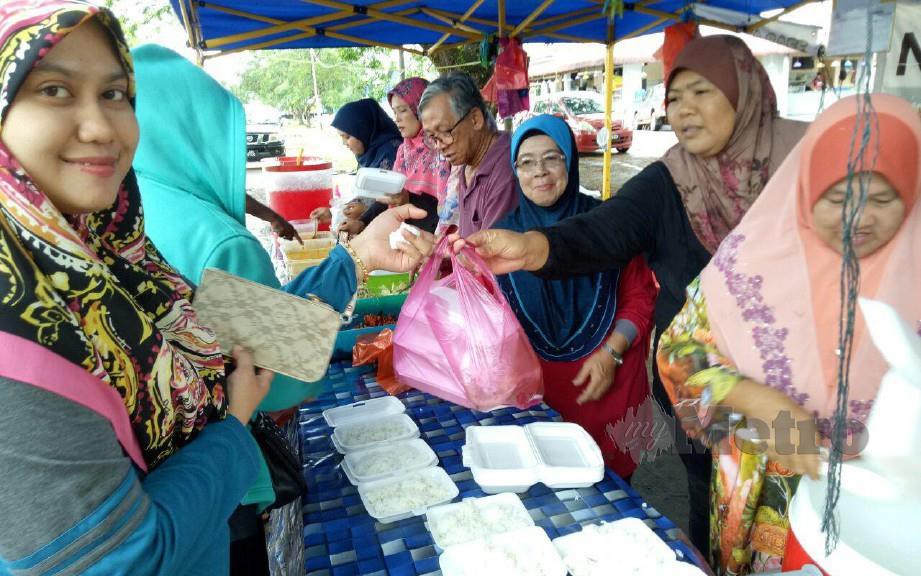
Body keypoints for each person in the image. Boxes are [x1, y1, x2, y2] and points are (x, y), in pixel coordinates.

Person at [0, 4, 432, 573]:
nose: (101, 126)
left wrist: (354, 257)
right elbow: (275, 364)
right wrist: (232, 430)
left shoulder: (117, 244)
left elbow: (245, 334)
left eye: (116, 95)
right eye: (54, 90)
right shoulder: (25, 327)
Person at [452, 36, 808, 554]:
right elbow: (602, 234)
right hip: (699, 384)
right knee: (712, 506)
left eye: (701, 93)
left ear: (744, 91)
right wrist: (531, 247)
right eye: (674, 97)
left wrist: (612, 348)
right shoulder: (670, 180)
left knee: (792, 516)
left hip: (794, 384)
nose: (683, 110)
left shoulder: (807, 162)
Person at [656, 94, 920, 574]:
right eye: (838, 197)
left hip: (884, 525)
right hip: (765, 503)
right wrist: (759, 401)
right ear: (806, 188)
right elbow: (676, 355)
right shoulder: (749, 262)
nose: (858, 218)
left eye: (881, 199)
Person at [497, 115, 657, 479]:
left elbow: (641, 296)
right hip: (537, 390)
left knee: (610, 490)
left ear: (570, 160)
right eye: (527, 162)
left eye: (552, 157)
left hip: (605, 382)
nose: (540, 171)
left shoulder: (608, 221)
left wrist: (611, 353)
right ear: (515, 171)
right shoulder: (505, 234)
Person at [322, 77, 450, 235]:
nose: (397, 118)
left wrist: (408, 199)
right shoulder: (404, 151)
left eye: (403, 110)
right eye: (394, 112)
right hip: (402, 238)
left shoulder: (444, 150)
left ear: (422, 109)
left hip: (434, 241)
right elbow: (389, 197)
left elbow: (450, 211)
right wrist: (361, 222)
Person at [418, 72, 518, 236]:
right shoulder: (468, 162)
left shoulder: (507, 170)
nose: (439, 146)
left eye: (444, 132)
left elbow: (488, 255)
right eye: (432, 137)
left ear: (475, 119)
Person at [330, 98, 403, 235]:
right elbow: (366, 193)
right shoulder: (368, 154)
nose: (344, 143)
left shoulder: (392, 152)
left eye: (347, 137)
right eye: (341, 137)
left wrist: (364, 213)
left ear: (363, 129)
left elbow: (390, 198)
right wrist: (340, 210)